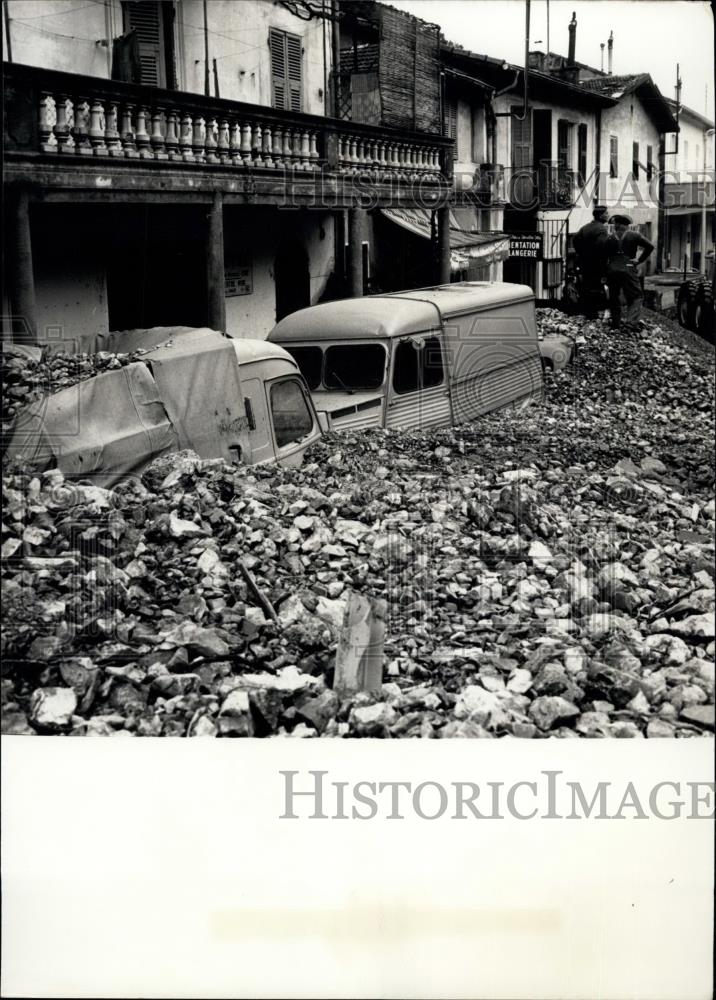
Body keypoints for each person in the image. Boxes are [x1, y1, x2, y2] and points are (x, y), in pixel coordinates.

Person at [603, 215, 655, 331]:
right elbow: (650, 246)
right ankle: (630, 324)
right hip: (628, 268)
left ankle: (615, 323)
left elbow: (603, 256)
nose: (614, 225)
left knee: (614, 296)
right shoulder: (634, 235)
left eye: (616, 223)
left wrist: (606, 273)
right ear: (627, 225)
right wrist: (639, 260)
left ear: (620, 224)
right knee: (636, 296)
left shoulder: (609, 238)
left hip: (612, 269)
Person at [573, 205, 609, 318]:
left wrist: (582, 253)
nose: (608, 215)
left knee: (586, 287)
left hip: (584, 263)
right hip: (596, 264)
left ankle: (586, 312)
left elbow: (575, 240)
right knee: (596, 288)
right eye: (606, 213)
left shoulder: (585, 227)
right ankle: (593, 314)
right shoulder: (602, 229)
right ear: (601, 215)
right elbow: (602, 248)